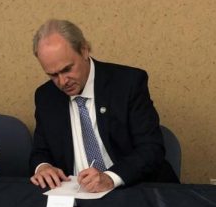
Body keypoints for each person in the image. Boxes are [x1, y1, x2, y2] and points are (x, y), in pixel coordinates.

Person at [29, 19, 178, 193]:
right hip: (77, 195)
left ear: (84, 50)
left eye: (67, 69)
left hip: (133, 189)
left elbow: (151, 149)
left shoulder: (127, 83)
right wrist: (43, 167)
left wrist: (110, 177)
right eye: (53, 75)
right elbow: (40, 150)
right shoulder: (46, 96)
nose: (62, 81)